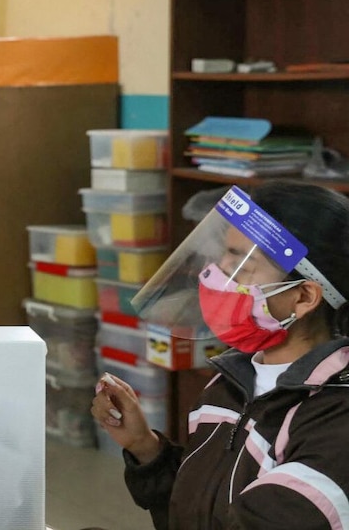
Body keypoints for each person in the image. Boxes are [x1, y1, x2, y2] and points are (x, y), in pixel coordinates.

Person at [91, 180, 349, 530]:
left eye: (243, 266)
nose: (217, 276)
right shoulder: (231, 381)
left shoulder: (335, 419)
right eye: (226, 254)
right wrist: (145, 447)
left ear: (303, 297)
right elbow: (198, 511)